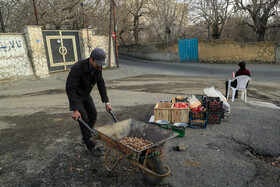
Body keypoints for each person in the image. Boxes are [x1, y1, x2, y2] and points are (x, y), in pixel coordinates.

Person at [66, 48, 112, 156]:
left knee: (93, 114)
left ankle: (86, 137)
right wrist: (75, 109)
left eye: (101, 64)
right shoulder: (78, 67)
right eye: (98, 64)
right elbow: (70, 88)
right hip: (76, 96)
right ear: (91, 59)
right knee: (84, 119)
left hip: (86, 95)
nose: (100, 66)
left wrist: (107, 102)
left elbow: (101, 84)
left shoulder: (98, 68)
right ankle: (91, 146)